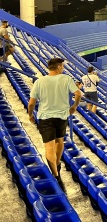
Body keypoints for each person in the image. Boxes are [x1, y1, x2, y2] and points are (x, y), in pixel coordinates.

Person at [27, 58, 82, 192]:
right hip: (62, 116)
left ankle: (56, 175)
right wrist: (74, 106)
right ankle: (57, 163)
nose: (63, 68)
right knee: (60, 141)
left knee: (49, 145)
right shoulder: (66, 79)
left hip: (46, 118)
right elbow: (78, 93)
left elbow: (31, 103)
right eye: (62, 66)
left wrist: (30, 114)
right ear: (58, 67)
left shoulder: (39, 81)